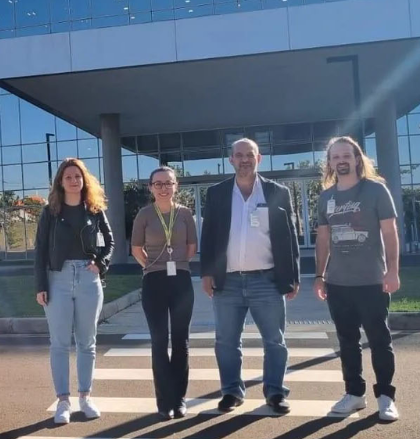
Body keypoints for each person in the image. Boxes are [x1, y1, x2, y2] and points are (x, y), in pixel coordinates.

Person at [200, 138, 300, 414]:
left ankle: (275, 392)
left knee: (275, 341)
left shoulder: (277, 192)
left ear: (259, 159)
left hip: (266, 280)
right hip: (227, 282)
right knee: (226, 342)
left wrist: (293, 276)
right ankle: (231, 391)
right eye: (239, 155)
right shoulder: (217, 193)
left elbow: (290, 236)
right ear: (230, 159)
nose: (244, 159)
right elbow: (207, 236)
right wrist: (206, 272)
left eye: (250, 155)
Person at [313, 136, 400, 422]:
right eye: (335, 156)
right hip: (338, 284)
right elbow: (323, 239)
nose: (340, 161)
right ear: (330, 163)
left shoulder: (375, 190)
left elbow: (389, 233)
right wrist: (319, 275)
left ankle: (386, 397)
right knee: (347, 341)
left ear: (357, 159)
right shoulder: (326, 197)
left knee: (379, 340)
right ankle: (354, 394)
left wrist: (392, 271)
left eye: (346, 156)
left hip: (372, 282)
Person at [33, 157, 114, 424]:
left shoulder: (94, 209)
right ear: (60, 181)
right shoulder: (50, 212)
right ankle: (63, 401)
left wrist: (100, 264)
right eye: (68, 177)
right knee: (59, 343)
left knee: (87, 343)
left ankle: (85, 397)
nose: (73, 181)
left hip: (89, 279)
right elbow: (41, 251)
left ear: (84, 180)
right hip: (58, 278)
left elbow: (109, 241)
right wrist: (41, 286)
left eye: (77, 176)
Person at [131, 167, 198, 420]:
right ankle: (163, 402)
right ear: (151, 188)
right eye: (158, 184)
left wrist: (178, 262)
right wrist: (152, 266)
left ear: (175, 186)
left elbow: (192, 247)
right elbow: (136, 248)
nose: (163, 188)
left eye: (168, 183)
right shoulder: (144, 214)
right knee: (159, 341)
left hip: (180, 280)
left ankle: (179, 399)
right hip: (154, 281)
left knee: (181, 342)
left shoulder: (184, 214)